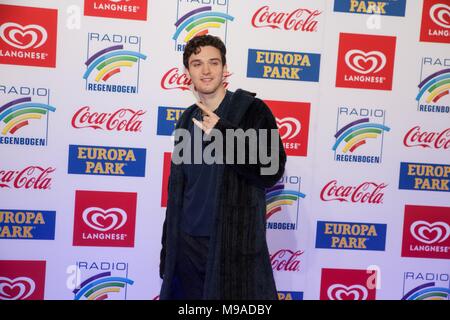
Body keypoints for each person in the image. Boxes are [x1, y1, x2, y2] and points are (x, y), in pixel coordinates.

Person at [159, 35, 287, 300]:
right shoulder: (186, 119)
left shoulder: (251, 111)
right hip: (187, 246)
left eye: (213, 63)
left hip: (232, 248)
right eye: (197, 64)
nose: (206, 71)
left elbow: (272, 168)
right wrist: (168, 249)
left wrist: (224, 133)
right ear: (187, 73)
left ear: (224, 68)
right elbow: (178, 190)